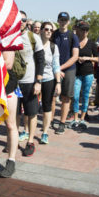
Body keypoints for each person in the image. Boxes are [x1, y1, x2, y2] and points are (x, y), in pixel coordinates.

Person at [17, 11, 45, 156]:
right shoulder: (8, 38)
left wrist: (38, 81)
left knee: (31, 113)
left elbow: (41, 60)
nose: (20, 22)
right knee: (14, 114)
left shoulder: (33, 38)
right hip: (14, 83)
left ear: (26, 21)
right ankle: (13, 140)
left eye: (23, 19)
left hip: (29, 82)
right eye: (17, 19)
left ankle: (30, 142)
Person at [51, 12, 80, 134]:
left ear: (68, 22)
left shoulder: (73, 36)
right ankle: (50, 120)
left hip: (68, 69)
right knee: (52, 96)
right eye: (61, 20)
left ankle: (62, 123)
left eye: (65, 20)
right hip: (54, 69)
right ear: (58, 21)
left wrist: (60, 68)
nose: (63, 22)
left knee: (65, 97)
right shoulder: (54, 34)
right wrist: (56, 69)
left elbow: (75, 57)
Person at [71, 20, 98, 129]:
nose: (84, 32)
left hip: (88, 73)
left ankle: (82, 118)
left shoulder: (92, 43)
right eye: (82, 29)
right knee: (76, 96)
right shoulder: (74, 42)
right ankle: (75, 118)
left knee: (86, 96)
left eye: (86, 29)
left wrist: (87, 58)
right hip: (76, 73)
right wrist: (76, 58)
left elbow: (98, 58)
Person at [39, 22, 61, 143]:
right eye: (46, 29)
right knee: (30, 106)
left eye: (51, 30)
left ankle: (45, 132)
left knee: (47, 106)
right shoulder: (35, 45)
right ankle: (26, 130)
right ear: (41, 30)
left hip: (48, 79)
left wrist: (58, 82)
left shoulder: (53, 47)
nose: (48, 31)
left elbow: (56, 66)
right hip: (34, 79)